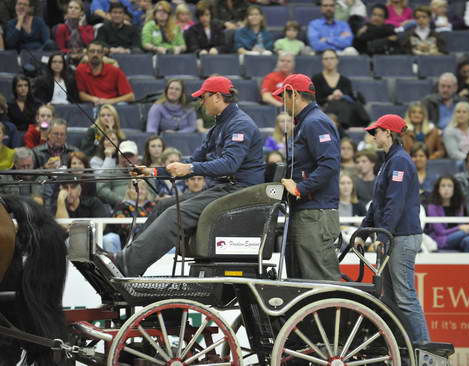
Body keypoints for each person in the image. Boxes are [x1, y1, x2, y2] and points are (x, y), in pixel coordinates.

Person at [100, 76, 265, 276]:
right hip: (223, 190)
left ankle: (127, 264)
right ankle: (128, 259)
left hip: (240, 192)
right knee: (162, 206)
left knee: (175, 213)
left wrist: (190, 168)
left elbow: (229, 165)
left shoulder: (240, 124)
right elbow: (191, 161)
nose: (201, 102)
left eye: (203, 97)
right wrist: (152, 171)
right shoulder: (218, 126)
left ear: (217, 97)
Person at [360, 113, 429, 344]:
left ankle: (425, 351)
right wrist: (364, 230)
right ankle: (402, 347)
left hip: (401, 236)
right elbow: (379, 203)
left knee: (404, 297)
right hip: (394, 235)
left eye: (376, 131)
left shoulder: (398, 161)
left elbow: (394, 202)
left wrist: (381, 234)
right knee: (390, 299)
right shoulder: (390, 161)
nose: (373, 136)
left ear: (387, 133)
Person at [272, 73, 341, 281]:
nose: (283, 102)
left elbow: (330, 164)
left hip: (316, 213)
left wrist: (300, 188)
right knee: (300, 282)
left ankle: (329, 314)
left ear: (293, 94)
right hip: (307, 212)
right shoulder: (306, 123)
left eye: (284, 96)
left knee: (319, 281)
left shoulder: (315, 122)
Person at [425, 175, 469, 252]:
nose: (446, 189)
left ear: (454, 189)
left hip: (457, 237)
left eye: (450, 186)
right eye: (443, 186)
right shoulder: (432, 207)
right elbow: (440, 232)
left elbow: (463, 227)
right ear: (438, 189)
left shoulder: (459, 206)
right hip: (441, 239)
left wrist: (461, 228)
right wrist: (459, 228)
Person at [312, 49, 369, 128]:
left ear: (337, 60)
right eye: (326, 59)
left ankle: (345, 125)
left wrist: (342, 96)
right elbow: (313, 100)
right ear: (322, 61)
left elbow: (351, 98)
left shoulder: (345, 81)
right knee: (337, 104)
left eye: (332, 58)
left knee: (349, 104)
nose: (329, 61)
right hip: (326, 110)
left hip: (344, 111)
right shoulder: (316, 79)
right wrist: (329, 98)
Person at [103, 179, 157, 252]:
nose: (139, 191)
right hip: (125, 244)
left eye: (143, 189)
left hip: (150, 241)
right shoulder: (122, 206)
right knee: (109, 238)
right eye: (136, 188)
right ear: (128, 190)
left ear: (147, 191)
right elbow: (123, 227)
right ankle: (117, 262)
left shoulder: (153, 206)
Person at [97, 140, 141, 209]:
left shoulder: (143, 172)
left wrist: (140, 200)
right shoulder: (111, 172)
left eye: (130, 156)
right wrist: (120, 200)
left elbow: (151, 192)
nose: (126, 159)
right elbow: (101, 189)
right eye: (123, 156)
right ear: (119, 156)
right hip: (118, 208)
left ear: (137, 157)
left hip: (142, 207)